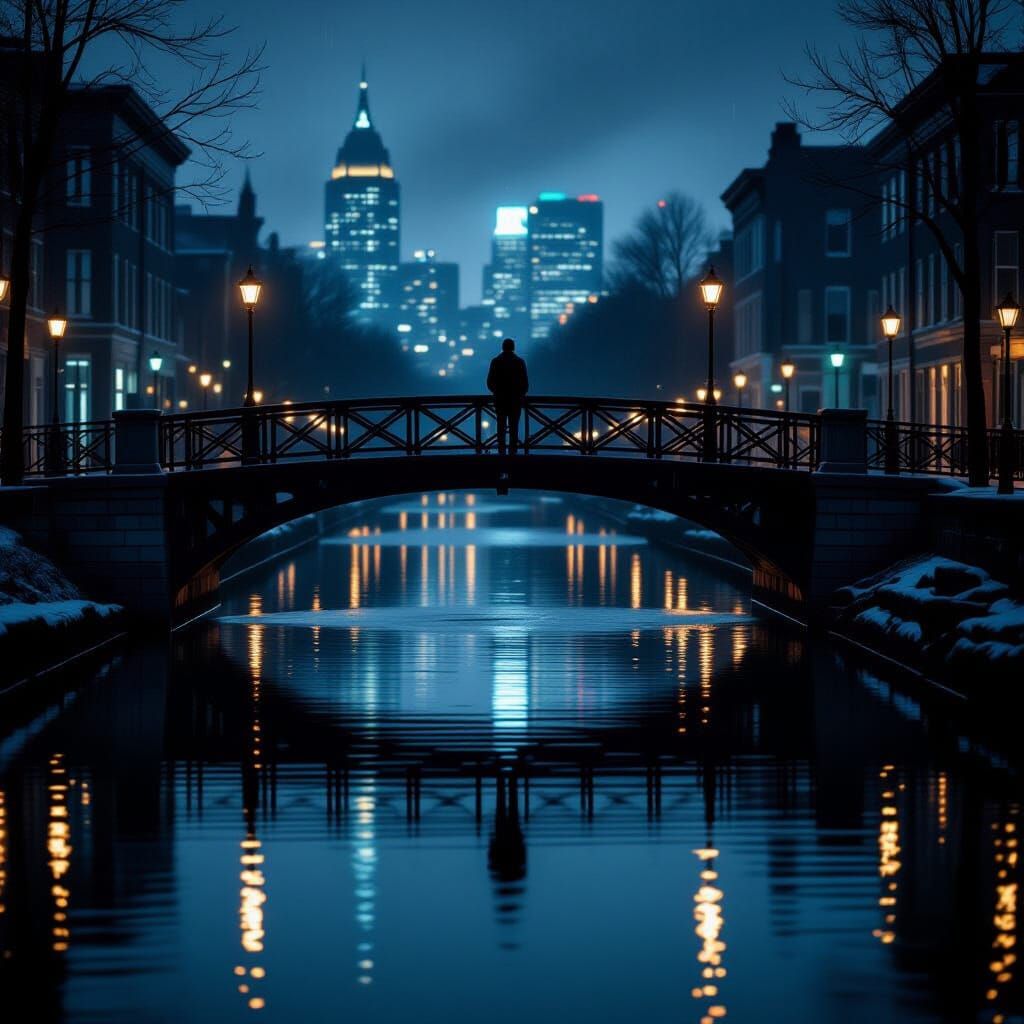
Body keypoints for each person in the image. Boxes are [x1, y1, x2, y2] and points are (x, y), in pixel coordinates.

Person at [486, 338, 529, 455]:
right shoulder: (520, 362)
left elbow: (489, 382)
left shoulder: (496, 362)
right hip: (515, 401)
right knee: (514, 428)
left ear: (503, 347)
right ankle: (513, 454)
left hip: (500, 400)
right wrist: (518, 394)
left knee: (501, 427)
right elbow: (525, 384)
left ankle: (501, 453)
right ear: (513, 348)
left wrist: (497, 392)